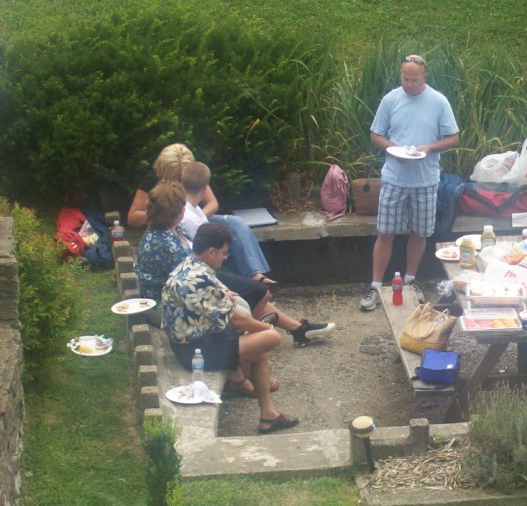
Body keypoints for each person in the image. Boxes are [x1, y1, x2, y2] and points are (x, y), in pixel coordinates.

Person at [135, 182, 335, 350]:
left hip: (191, 287)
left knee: (255, 292)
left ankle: (295, 330)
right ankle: (254, 340)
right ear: (177, 211)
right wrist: (223, 291)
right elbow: (190, 280)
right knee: (258, 292)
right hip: (169, 305)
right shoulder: (165, 243)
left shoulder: (170, 229)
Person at [162, 222, 298, 434]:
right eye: (224, 253)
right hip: (196, 352)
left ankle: (268, 415)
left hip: (193, 340)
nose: (225, 258)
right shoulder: (202, 278)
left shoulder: (189, 264)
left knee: (259, 350)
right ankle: (265, 411)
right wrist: (265, 326)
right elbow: (238, 321)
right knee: (271, 338)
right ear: (211, 252)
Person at [359, 54, 460, 311]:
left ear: (424, 78)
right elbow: (375, 134)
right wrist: (393, 149)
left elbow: (453, 137)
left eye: (415, 80)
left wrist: (429, 148)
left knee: (420, 232)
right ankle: (374, 285)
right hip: (395, 177)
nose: (410, 84)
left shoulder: (438, 101)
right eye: (406, 79)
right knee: (385, 233)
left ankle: (410, 279)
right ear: (401, 76)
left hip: (426, 179)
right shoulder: (391, 99)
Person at [127, 143, 277, 284]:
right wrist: (164, 212)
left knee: (235, 224)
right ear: (164, 170)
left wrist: (196, 217)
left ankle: (254, 273)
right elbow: (132, 217)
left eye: (181, 176)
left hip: (195, 218)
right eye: (175, 176)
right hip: (171, 222)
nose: (179, 180)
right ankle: (234, 280)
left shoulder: (192, 176)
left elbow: (213, 204)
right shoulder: (152, 180)